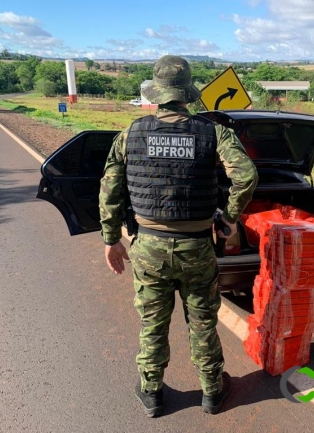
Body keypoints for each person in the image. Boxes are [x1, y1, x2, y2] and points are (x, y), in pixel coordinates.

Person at [98, 55, 258, 418]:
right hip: (198, 247)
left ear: (156, 92)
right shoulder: (212, 132)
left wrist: (111, 239)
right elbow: (246, 176)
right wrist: (230, 217)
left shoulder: (131, 133)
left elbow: (110, 190)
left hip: (148, 248)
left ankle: (151, 392)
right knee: (202, 321)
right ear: (187, 93)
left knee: (153, 322)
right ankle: (212, 392)